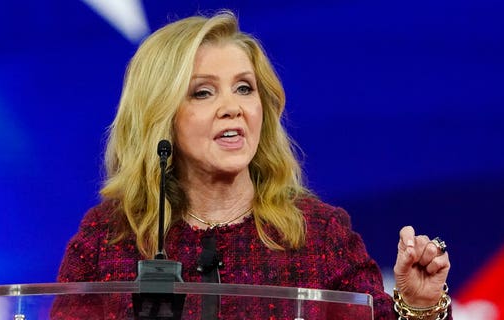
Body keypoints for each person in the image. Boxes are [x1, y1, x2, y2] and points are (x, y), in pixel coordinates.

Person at [52, 10, 452, 320]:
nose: (233, 108)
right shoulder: (109, 239)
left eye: (244, 88)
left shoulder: (317, 236)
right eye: (203, 92)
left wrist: (419, 304)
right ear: (162, 116)